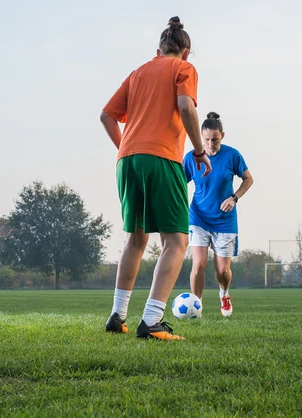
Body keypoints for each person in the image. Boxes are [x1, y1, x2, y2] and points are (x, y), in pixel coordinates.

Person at [100, 17, 211, 341]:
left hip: (127, 160)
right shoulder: (184, 70)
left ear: (158, 50)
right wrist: (199, 152)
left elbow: (107, 115)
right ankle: (151, 320)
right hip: (162, 158)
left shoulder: (138, 73)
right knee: (176, 240)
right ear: (186, 52)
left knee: (136, 238)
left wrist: (127, 147)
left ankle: (117, 316)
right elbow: (186, 107)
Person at [183, 112, 254, 316]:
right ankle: (196, 307)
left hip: (224, 221)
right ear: (200, 137)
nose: (211, 144)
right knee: (199, 264)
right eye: (206, 140)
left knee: (222, 271)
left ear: (222, 135)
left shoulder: (232, 156)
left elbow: (248, 179)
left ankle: (224, 294)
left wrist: (234, 198)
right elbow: (179, 182)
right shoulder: (192, 158)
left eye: (215, 139)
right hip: (198, 217)